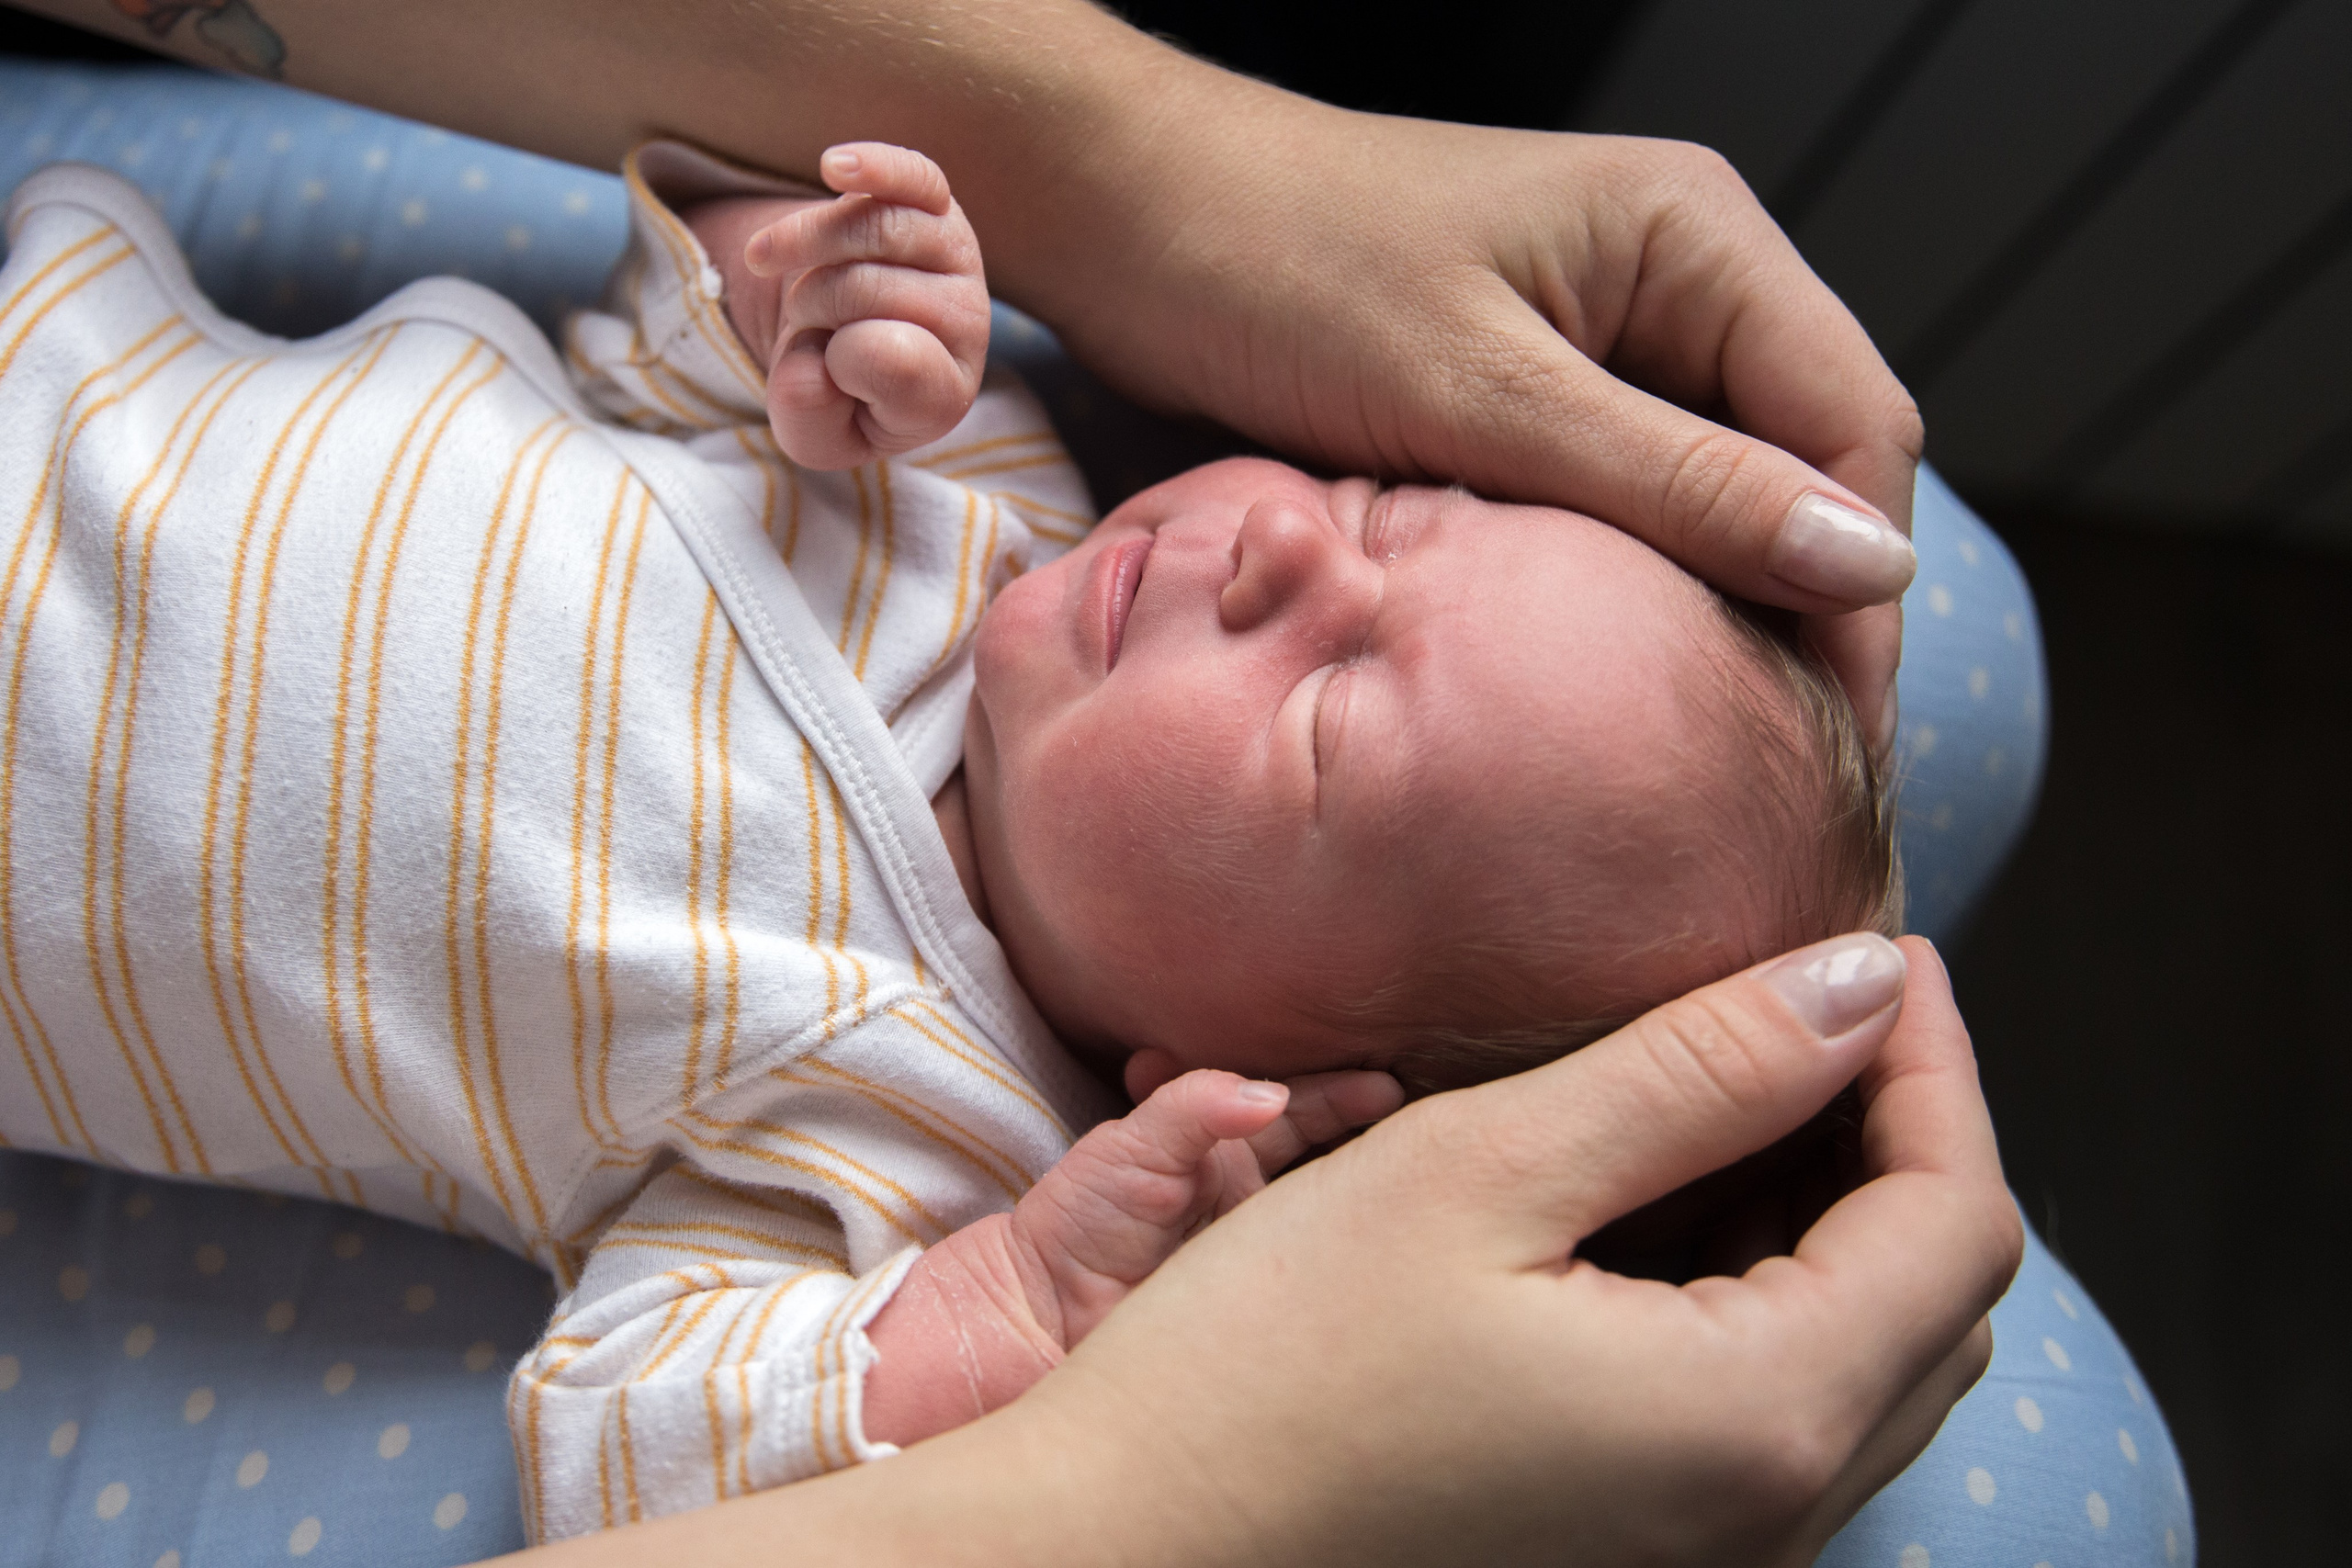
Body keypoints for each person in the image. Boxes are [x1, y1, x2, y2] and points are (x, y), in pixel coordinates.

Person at [6, 3, 2007, 1562]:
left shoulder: (935, 1144)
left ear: (1263, 1089)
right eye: (1383, 504)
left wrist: (1004, 1307)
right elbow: (656, 337)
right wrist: (793, 280)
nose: (1282, 555)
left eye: (1327, 717)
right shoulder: (963, 472)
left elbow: (619, 1434)